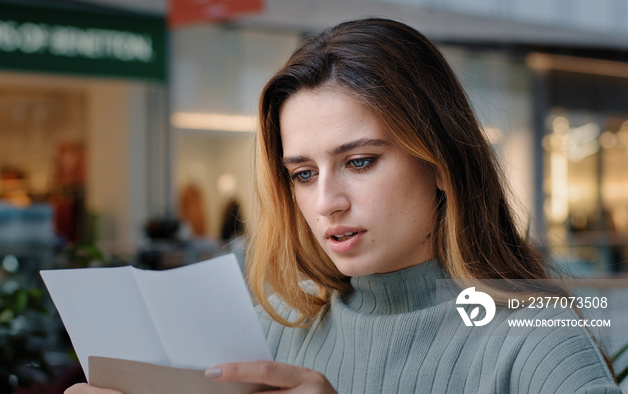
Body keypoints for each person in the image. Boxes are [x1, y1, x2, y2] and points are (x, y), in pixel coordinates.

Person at [66, 18, 621, 393]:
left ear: (442, 164)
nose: (326, 202)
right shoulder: (275, 332)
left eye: (359, 162)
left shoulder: (541, 350)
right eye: (303, 174)